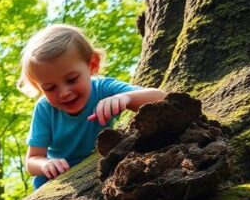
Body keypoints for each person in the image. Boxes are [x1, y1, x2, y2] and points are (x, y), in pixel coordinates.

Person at [19, 24, 168, 189]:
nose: (64, 93)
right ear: (39, 87)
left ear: (92, 65)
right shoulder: (45, 109)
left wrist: (125, 98)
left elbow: (162, 98)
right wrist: (46, 164)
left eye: (72, 79)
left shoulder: (103, 88)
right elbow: (32, 160)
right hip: (54, 182)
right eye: (50, 88)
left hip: (99, 170)